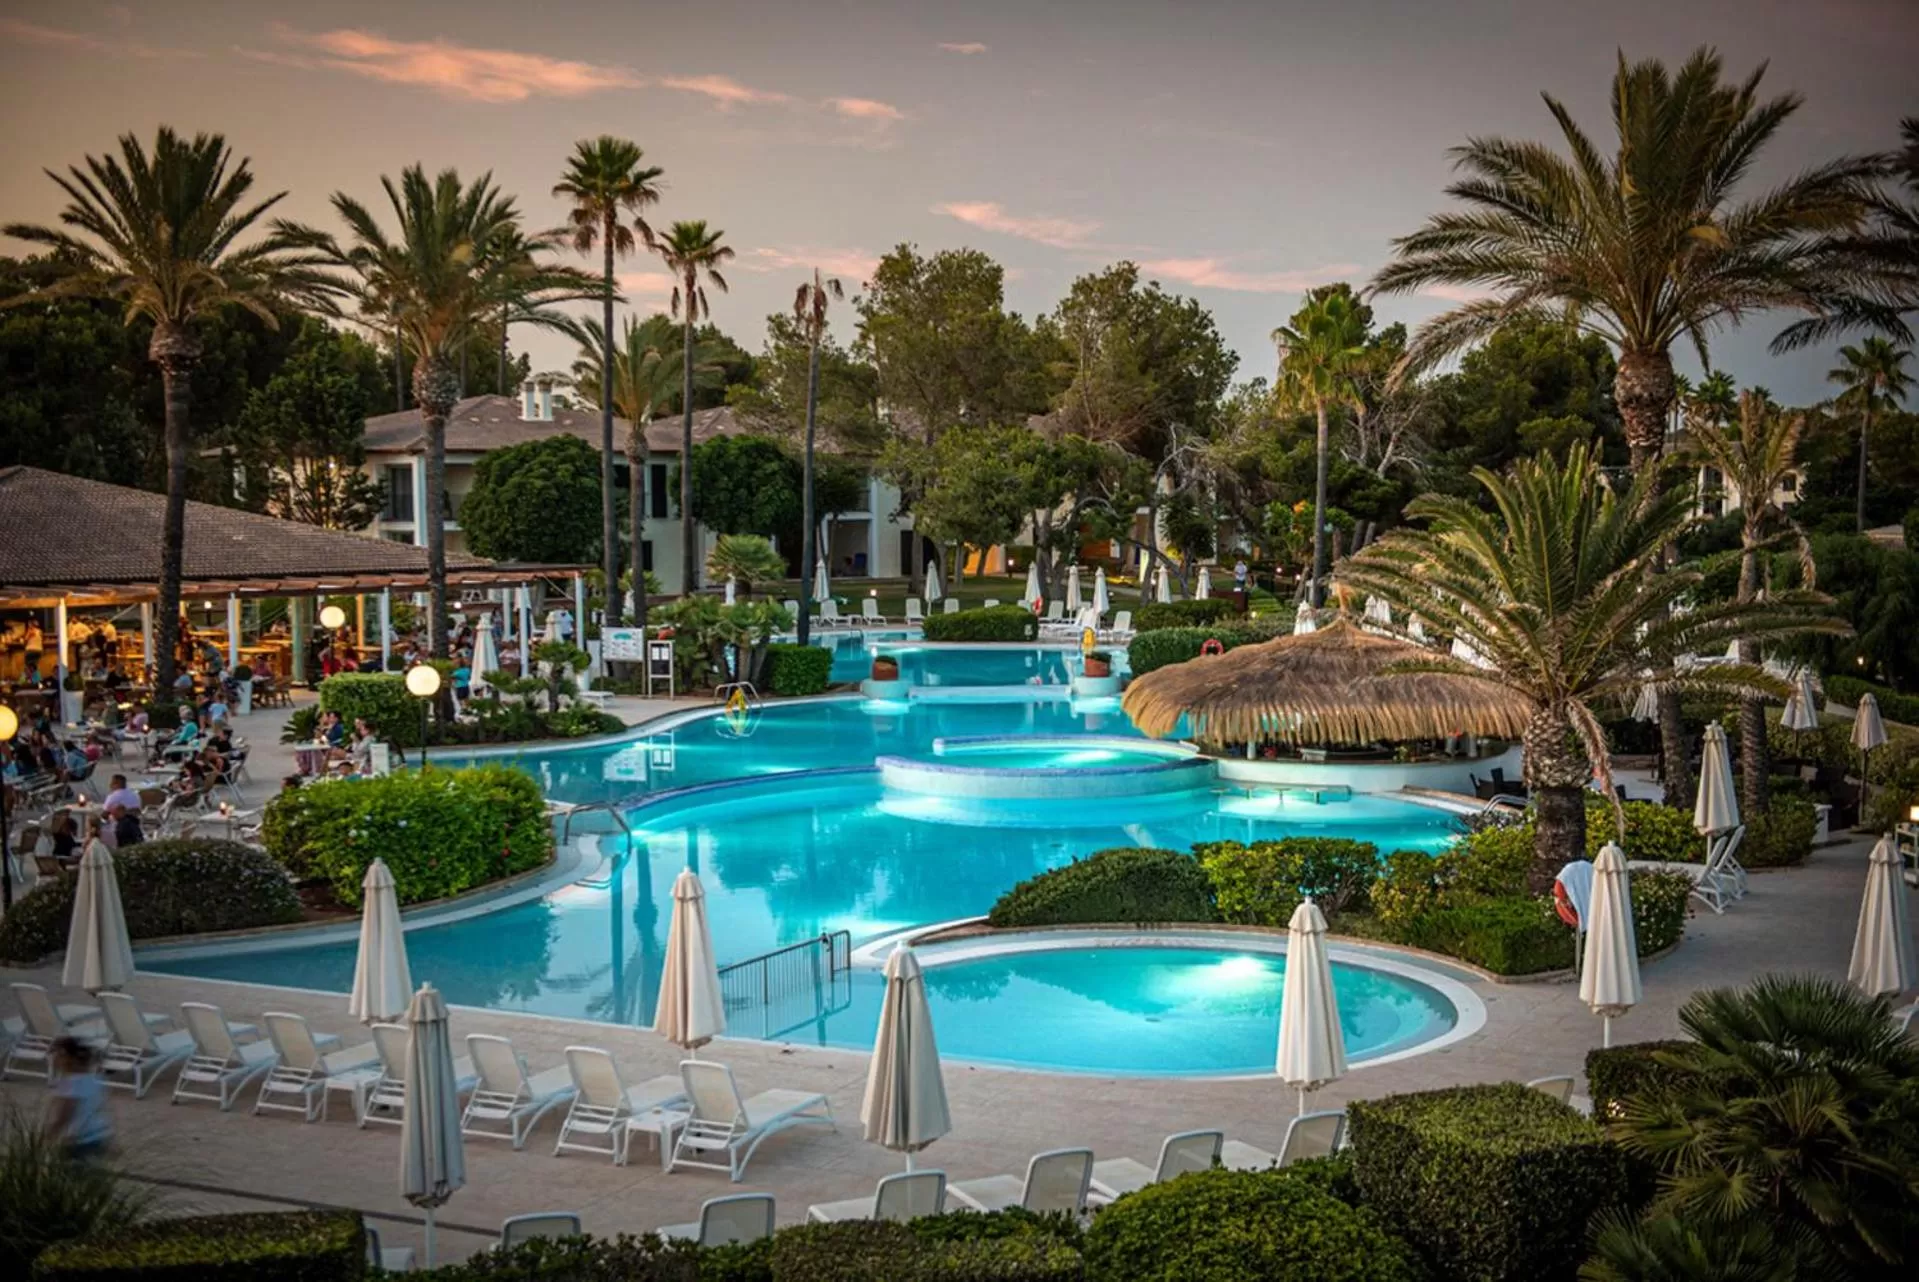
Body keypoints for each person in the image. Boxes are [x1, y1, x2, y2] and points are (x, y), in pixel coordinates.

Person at [46, 1038, 113, 1160]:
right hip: (100, 1134)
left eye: (56, 1057)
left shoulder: (69, 1084)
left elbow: (64, 1116)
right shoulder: (97, 1079)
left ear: (66, 1058)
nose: (55, 1061)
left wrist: (48, 1137)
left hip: (80, 1139)